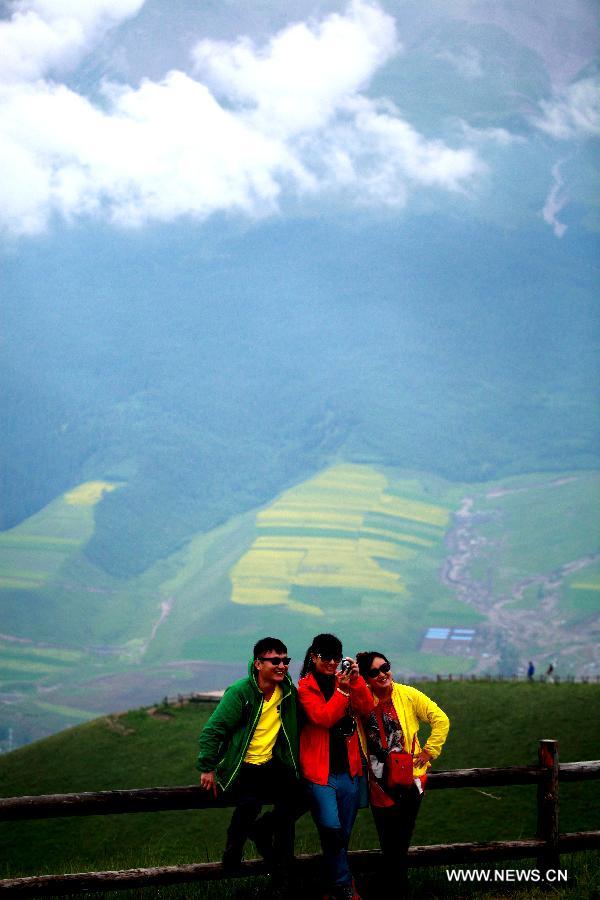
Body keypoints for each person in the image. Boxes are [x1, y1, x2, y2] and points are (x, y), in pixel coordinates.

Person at [196, 636, 301, 877]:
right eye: (274, 661)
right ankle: (233, 850)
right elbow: (214, 729)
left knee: (304, 794)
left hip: (271, 764)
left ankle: (264, 829)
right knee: (249, 804)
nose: (282, 666)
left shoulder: (287, 692)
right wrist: (207, 767)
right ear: (257, 664)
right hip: (242, 765)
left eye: (285, 661)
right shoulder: (241, 692)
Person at [355, 651, 450, 893]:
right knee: (389, 843)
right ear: (366, 677)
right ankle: (394, 888)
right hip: (378, 784)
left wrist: (430, 751)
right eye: (374, 672)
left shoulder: (407, 695)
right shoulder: (361, 700)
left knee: (400, 841)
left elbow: (440, 719)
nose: (382, 674)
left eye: (384, 667)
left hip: (410, 780)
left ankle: (392, 889)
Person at [298, 632, 373, 900]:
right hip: (321, 773)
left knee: (343, 833)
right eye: (326, 657)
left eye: (337, 658)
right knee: (331, 828)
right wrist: (342, 690)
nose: (332, 663)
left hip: (350, 770)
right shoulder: (306, 687)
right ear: (313, 657)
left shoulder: (346, 680)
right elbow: (324, 718)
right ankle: (345, 885)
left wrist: (357, 680)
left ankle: (331, 887)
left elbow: (366, 708)